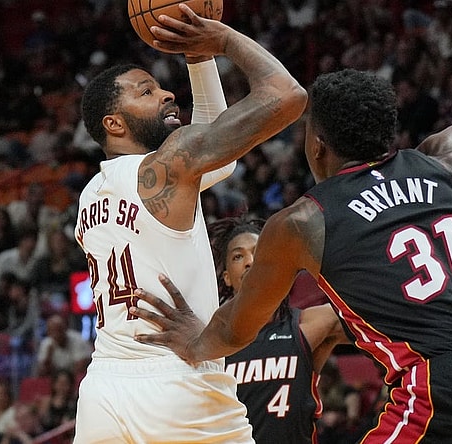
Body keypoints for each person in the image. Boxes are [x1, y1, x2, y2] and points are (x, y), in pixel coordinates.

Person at [132, 0, 452, 441]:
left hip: (444, 394)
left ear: (317, 146)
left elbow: (236, 328)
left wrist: (192, 342)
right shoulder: (447, 162)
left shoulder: (304, 220)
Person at [72, 4, 307, 443]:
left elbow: (218, 162)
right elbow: (287, 94)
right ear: (114, 123)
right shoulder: (163, 172)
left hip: (103, 389)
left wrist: (197, 60)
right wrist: (220, 40)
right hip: (176, 380)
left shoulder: (92, 194)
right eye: (145, 92)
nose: (166, 95)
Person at [208, 216, 348, 444]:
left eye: (257, 251)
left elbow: (376, 317)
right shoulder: (212, 343)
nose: (249, 261)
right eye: (238, 256)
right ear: (227, 278)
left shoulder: (306, 326)